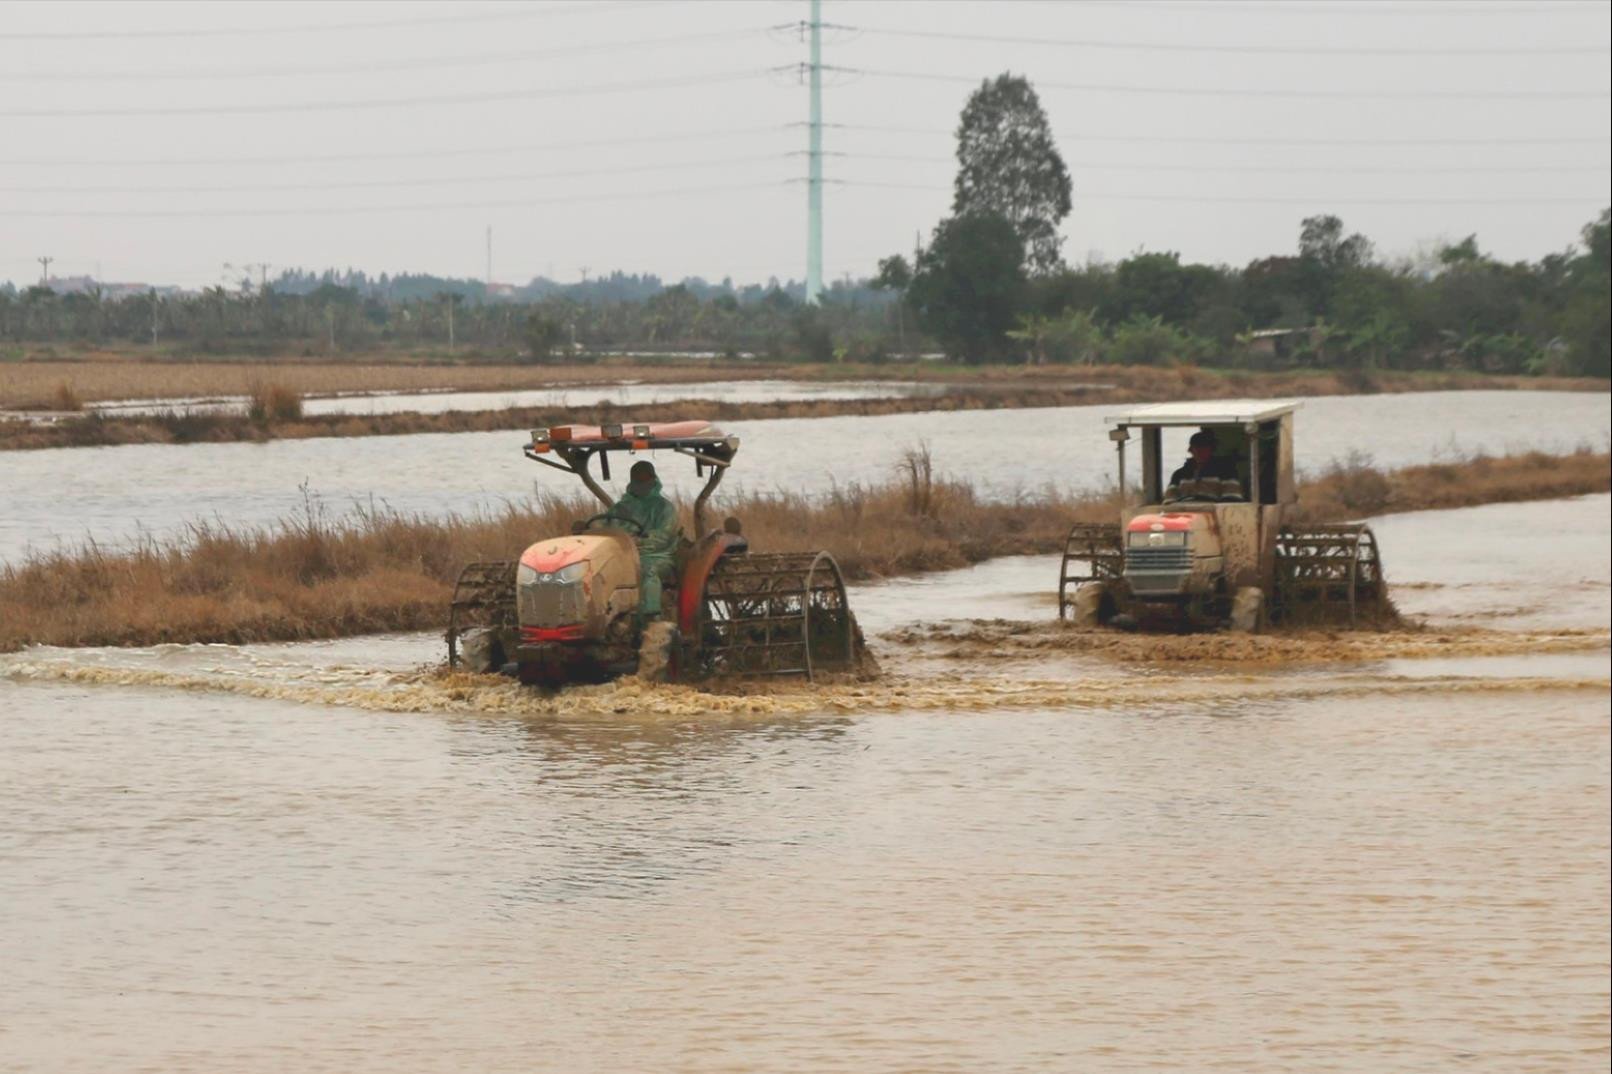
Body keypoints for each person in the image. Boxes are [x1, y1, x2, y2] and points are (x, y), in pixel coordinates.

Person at [606, 460, 681, 618]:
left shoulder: (664, 508)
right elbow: (608, 529)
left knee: (647, 571)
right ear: (632, 480)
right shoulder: (620, 508)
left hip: (656, 556)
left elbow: (663, 537)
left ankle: (651, 618)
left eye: (645, 477)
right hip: (623, 556)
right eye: (637, 478)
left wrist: (638, 543)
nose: (641, 481)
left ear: (653, 478)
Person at [1165, 429, 1241, 502]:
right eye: (1196, 448)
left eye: (1204, 448)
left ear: (1212, 449)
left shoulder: (1227, 472)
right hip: (1184, 514)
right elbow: (1169, 502)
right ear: (1190, 450)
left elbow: (1232, 500)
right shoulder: (1179, 474)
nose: (1200, 452)